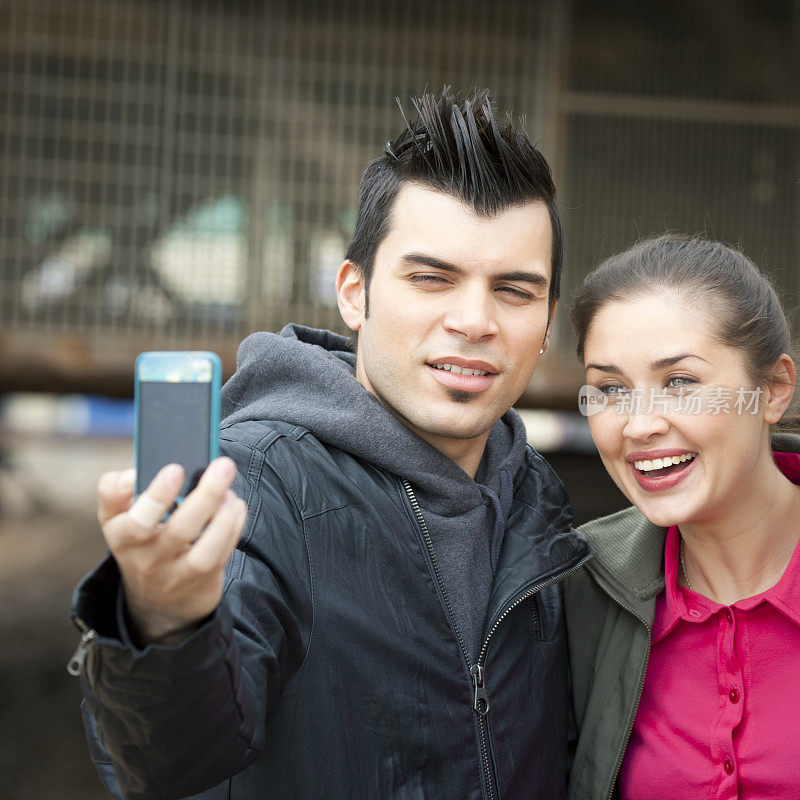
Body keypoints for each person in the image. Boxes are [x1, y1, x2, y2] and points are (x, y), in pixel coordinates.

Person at [70, 88, 590, 800]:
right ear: (354, 292)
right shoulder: (259, 481)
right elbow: (168, 761)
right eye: (431, 278)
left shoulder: (539, 498)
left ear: (549, 320)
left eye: (516, 291)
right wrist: (164, 621)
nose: (475, 320)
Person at [565, 235, 800, 800]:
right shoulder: (574, 590)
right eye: (610, 389)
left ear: (772, 390)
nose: (639, 424)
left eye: (679, 382)